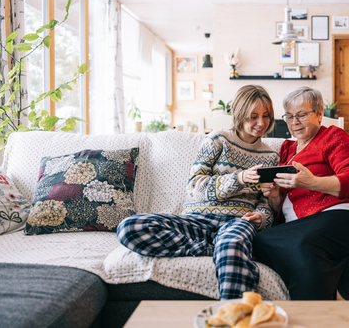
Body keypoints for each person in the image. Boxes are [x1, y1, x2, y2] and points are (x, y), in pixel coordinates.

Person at [117, 85, 280, 299]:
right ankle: (212, 250)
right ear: (239, 115)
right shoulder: (217, 140)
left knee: (232, 246)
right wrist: (238, 178)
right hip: (197, 220)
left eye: (266, 116)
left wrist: (262, 216)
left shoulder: (270, 157)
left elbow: (266, 206)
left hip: (237, 221)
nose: (261, 123)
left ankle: (236, 313)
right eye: (253, 116)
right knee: (130, 227)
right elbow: (195, 187)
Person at [253, 86, 349, 300]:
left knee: (302, 243)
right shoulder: (286, 150)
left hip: (344, 215)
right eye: (289, 116)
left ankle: (315, 315)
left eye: (301, 114)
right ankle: (336, 295)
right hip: (302, 226)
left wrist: (313, 182)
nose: (294, 122)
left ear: (319, 114)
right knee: (259, 241)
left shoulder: (333, 136)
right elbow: (280, 208)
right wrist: (273, 196)